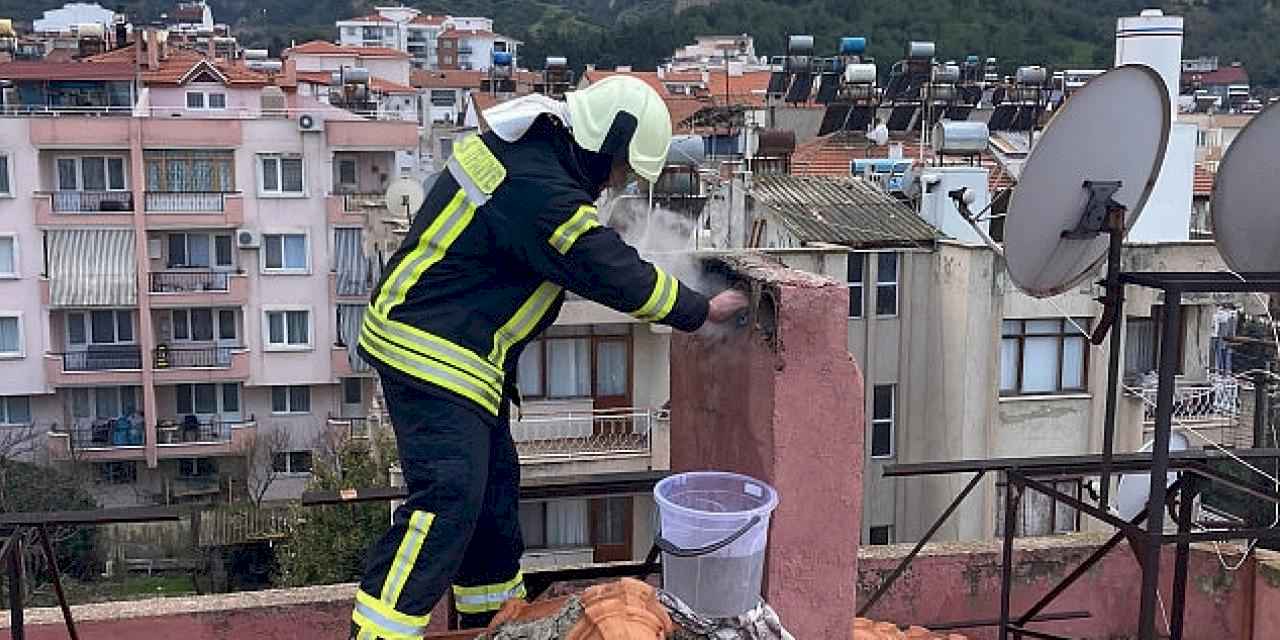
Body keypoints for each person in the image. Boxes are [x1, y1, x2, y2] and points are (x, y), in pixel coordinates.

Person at [350, 75, 749, 639]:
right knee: (449, 499)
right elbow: (603, 264)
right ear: (604, 145)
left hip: (457, 359)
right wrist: (699, 309)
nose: (618, 183)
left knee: (490, 504)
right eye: (622, 169)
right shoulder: (540, 187)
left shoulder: (531, 152)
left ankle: (491, 624)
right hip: (429, 353)